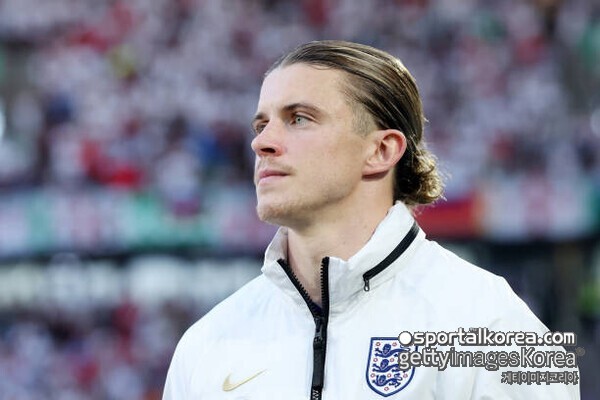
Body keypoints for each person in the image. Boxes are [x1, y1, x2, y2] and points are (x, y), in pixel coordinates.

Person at [163, 40, 580, 399]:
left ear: (381, 150)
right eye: (261, 124)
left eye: (299, 118)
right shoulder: (206, 344)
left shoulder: (491, 323)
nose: (262, 143)